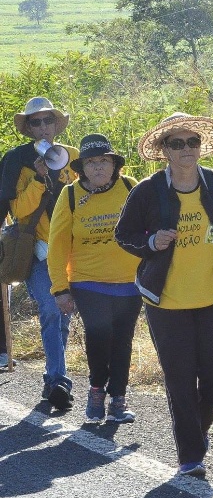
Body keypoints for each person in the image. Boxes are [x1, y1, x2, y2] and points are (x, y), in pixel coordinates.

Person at [115, 113, 213, 478]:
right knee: (180, 377)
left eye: (193, 142)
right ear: (164, 150)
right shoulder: (147, 191)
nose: (187, 149)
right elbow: (123, 235)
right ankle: (190, 455)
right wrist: (151, 242)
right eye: (177, 143)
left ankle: (196, 433)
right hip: (166, 301)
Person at [48, 134, 141, 424]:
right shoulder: (71, 195)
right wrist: (60, 289)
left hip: (130, 281)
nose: (98, 167)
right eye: (91, 162)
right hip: (87, 281)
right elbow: (58, 244)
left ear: (115, 166)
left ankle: (118, 400)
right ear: (82, 168)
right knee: (99, 333)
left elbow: (149, 226)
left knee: (123, 340)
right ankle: (97, 389)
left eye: (104, 161)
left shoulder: (131, 187)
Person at [0, 97, 79, 411]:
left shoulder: (73, 157)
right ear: (29, 128)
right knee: (50, 308)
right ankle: (60, 380)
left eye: (48, 121)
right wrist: (37, 177)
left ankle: (52, 380)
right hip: (34, 249)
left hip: (70, 251)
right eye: (37, 122)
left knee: (62, 313)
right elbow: (17, 210)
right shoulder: (17, 160)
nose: (43, 127)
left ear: (55, 124)